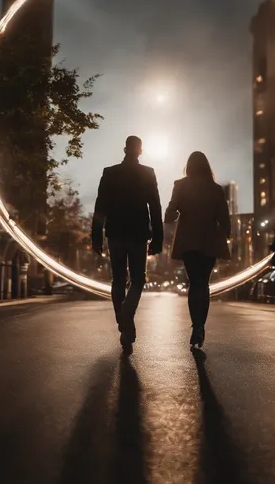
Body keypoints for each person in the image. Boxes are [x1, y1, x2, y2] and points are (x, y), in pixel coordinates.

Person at [92, 136, 163, 351]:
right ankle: (127, 314)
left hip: (115, 233)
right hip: (138, 234)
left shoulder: (110, 173)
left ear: (125, 149)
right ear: (140, 151)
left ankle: (124, 324)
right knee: (138, 279)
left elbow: (100, 207)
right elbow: (155, 208)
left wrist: (96, 236)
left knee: (118, 280)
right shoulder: (148, 173)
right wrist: (158, 238)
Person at [165, 151, 231, 349]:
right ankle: (200, 326)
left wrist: (176, 215)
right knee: (204, 284)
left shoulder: (180, 185)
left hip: (188, 241)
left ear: (189, 166)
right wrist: (225, 235)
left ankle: (196, 326)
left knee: (194, 283)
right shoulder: (216, 189)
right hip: (209, 241)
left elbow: (169, 214)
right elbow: (224, 219)